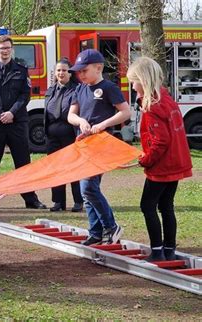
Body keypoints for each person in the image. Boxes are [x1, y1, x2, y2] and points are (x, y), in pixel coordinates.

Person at [127, 57, 192, 261]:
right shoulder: (167, 99)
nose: (131, 85)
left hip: (162, 167)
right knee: (166, 206)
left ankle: (157, 251)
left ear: (143, 81)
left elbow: (161, 142)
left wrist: (145, 160)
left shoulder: (152, 106)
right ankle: (169, 249)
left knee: (148, 206)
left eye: (133, 81)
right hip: (176, 163)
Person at [0, 35, 46, 211]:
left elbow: (25, 95)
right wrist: (0, 113)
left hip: (17, 122)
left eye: (7, 48)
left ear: (11, 50)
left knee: (23, 162)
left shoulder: (21, 70)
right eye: (1, 48)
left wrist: (12, 113)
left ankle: (31, 199)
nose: (4, 51)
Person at [67, 49, 131, 245]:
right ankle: (95, 233)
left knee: (88, 187)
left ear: (98, 68)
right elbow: (71, 115)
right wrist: (80, 122)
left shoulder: (108, 87)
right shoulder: (79, 89)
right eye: (79, 72)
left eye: (84, 70)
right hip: (83, 144)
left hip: (101, 144)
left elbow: (125, 112)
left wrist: (103, 124)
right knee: (86, 190)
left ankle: (111, 226)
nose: (81, 75)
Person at [44, 58, 83, 212]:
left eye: (64, 70)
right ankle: (58, 202)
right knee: (55, 169)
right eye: (59, 70)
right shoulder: (50, 90)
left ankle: (78, 201)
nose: (61, 73)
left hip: (70, 135)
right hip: (52, 137)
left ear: (70, 72)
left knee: (73, 168)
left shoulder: (77, 89)